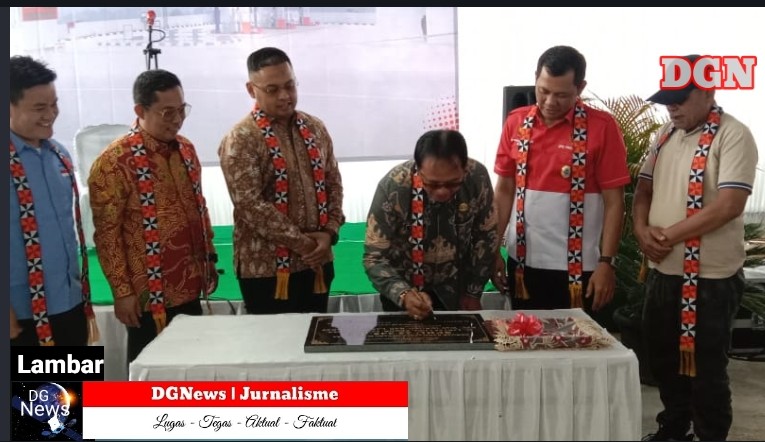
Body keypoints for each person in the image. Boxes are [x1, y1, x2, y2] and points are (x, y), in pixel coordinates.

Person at [633, 54, 758, 442]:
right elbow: (643, 189)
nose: (671, 107)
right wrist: (640, 230)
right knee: (663, 360)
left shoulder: (733, 135)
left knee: (706, 370)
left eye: (680, 99)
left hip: (710, 279)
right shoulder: (665, 135)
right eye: (667, 100)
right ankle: (674, 429)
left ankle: (710, 435)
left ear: (708, 91)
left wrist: (666, 236)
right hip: (663, 271)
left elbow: (729, 205)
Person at [88, 69, 218, 363]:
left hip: (190, 284)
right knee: (150, 371)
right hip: (147, 296)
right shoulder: (114, 162)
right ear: (140, 110)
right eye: (167, 112)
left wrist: (208, 257)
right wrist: (122, 292)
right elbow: (107, 235)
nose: (177, 119)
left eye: (182, 110)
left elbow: (199, 208)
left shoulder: (186, 149)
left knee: (193, 367)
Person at [491, 45, 630, 312]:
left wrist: (606, 262)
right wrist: (494, 248)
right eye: (543, 91)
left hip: (580, 268)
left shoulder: (602, 127)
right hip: (523, 265)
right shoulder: (516, 122)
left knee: (577, 337)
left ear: (580, 88)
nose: (550, 102)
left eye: (562, 95)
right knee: (524, 333)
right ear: (535, 78)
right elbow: (504, 190)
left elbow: (615, 202)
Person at [218, 47, 344, 315]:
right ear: (251, 90)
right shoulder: (241, 138)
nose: (285, 96)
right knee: (273, 341)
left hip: (317, 263)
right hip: (266, 271)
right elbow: (250, 206)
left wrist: (329, 232)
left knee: (316, 335)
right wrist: (305, 244)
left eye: (290, 85)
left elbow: (333, 181)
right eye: (272, 89)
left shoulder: (315, 127)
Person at [9, 55, 99, 346]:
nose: (50, 114)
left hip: (70, 303)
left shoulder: (59, 154)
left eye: (54, 104)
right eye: (39, 108)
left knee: (70, 378)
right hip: (19, 315)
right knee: (29, 380)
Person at [363, 129, 497, 319]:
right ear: (418, 169)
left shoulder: (477, 178)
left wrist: (473, 292)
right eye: (432, 184)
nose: (442, 192)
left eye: (453, 183)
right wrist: (403, 294)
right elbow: (374, 258)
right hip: (405, 290)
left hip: (458, 290)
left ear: (465, 168)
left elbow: (486, 237)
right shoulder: (394, 186)